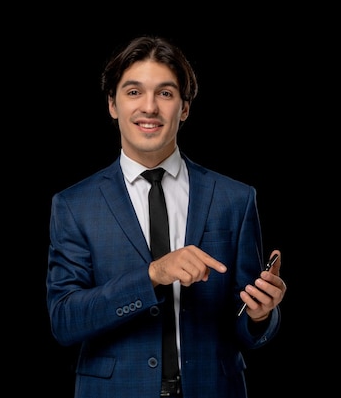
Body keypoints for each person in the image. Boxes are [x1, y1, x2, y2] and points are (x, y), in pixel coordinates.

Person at [46, 35, 286, 398]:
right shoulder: (74, 205)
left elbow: (243, 325)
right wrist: (153, 275)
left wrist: (260, 313)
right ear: (112, 104)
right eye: (133, 92)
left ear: (185, 107)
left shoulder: (234, 199)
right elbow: (65, 321)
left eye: (165, 93)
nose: (149, 107)